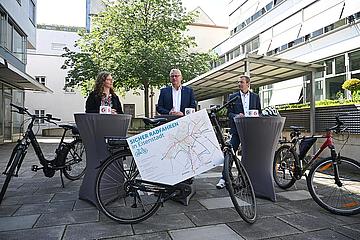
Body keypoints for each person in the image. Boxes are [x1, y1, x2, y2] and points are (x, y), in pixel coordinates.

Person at [216, 75, 262, 189]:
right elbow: (228, 113)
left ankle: (250, 179)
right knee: (230, 153)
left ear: (248, 83)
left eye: (241, 82)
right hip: (236, 130)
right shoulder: (233, 96)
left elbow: (259, 112)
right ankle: (224, 178)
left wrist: (255, 115)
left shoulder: (255, 97)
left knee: (251, 155)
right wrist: (237, 115)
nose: (239, 84)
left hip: (251, 131)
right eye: (238, 82)